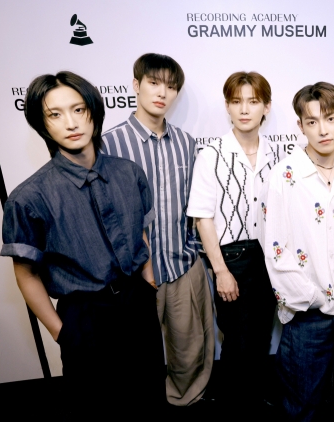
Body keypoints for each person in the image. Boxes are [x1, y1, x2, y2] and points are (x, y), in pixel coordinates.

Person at [1, 71, 165, 416]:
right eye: (55, 114)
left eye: (78, 109)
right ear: (42, 124)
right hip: (85, 318)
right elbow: (26, 274)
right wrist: (63, 333)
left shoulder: (129, 173)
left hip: (137, 305)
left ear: (93, 111)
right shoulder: (29, 197)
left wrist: (148, 281)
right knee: (95, 411)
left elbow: (141, 233)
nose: (71, 122)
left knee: (149, 399)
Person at [259, 82, 334, 421]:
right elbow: (275, 249)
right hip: (307, 311)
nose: (323, 129)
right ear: (300, 126)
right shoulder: (284, 176)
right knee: (302, 404)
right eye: (312, 122)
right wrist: (310, 297)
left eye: (329, 118)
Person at [101, 53, 214, 406]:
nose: (162, 92)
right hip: (134, 275)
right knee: (135, 359)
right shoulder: (109, 144)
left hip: (181, 264)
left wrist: (195, 253)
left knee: (189, 350)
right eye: (153, 82)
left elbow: (195, 205)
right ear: (136, 85)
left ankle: (188, 401)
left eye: (170, 86)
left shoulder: (185, 142)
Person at [187, 71, 279, 416]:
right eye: (237, 101)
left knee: (260, 337)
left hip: (269, 259)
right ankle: (236, 406)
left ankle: (255, 399)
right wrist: (220, 270)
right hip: (232, 258)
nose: (244, 109)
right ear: (227, 106)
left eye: (252, 101)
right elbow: (202, 218)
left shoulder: (278, 155)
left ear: (265, 107)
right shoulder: (212, 154)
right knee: (238, 340)